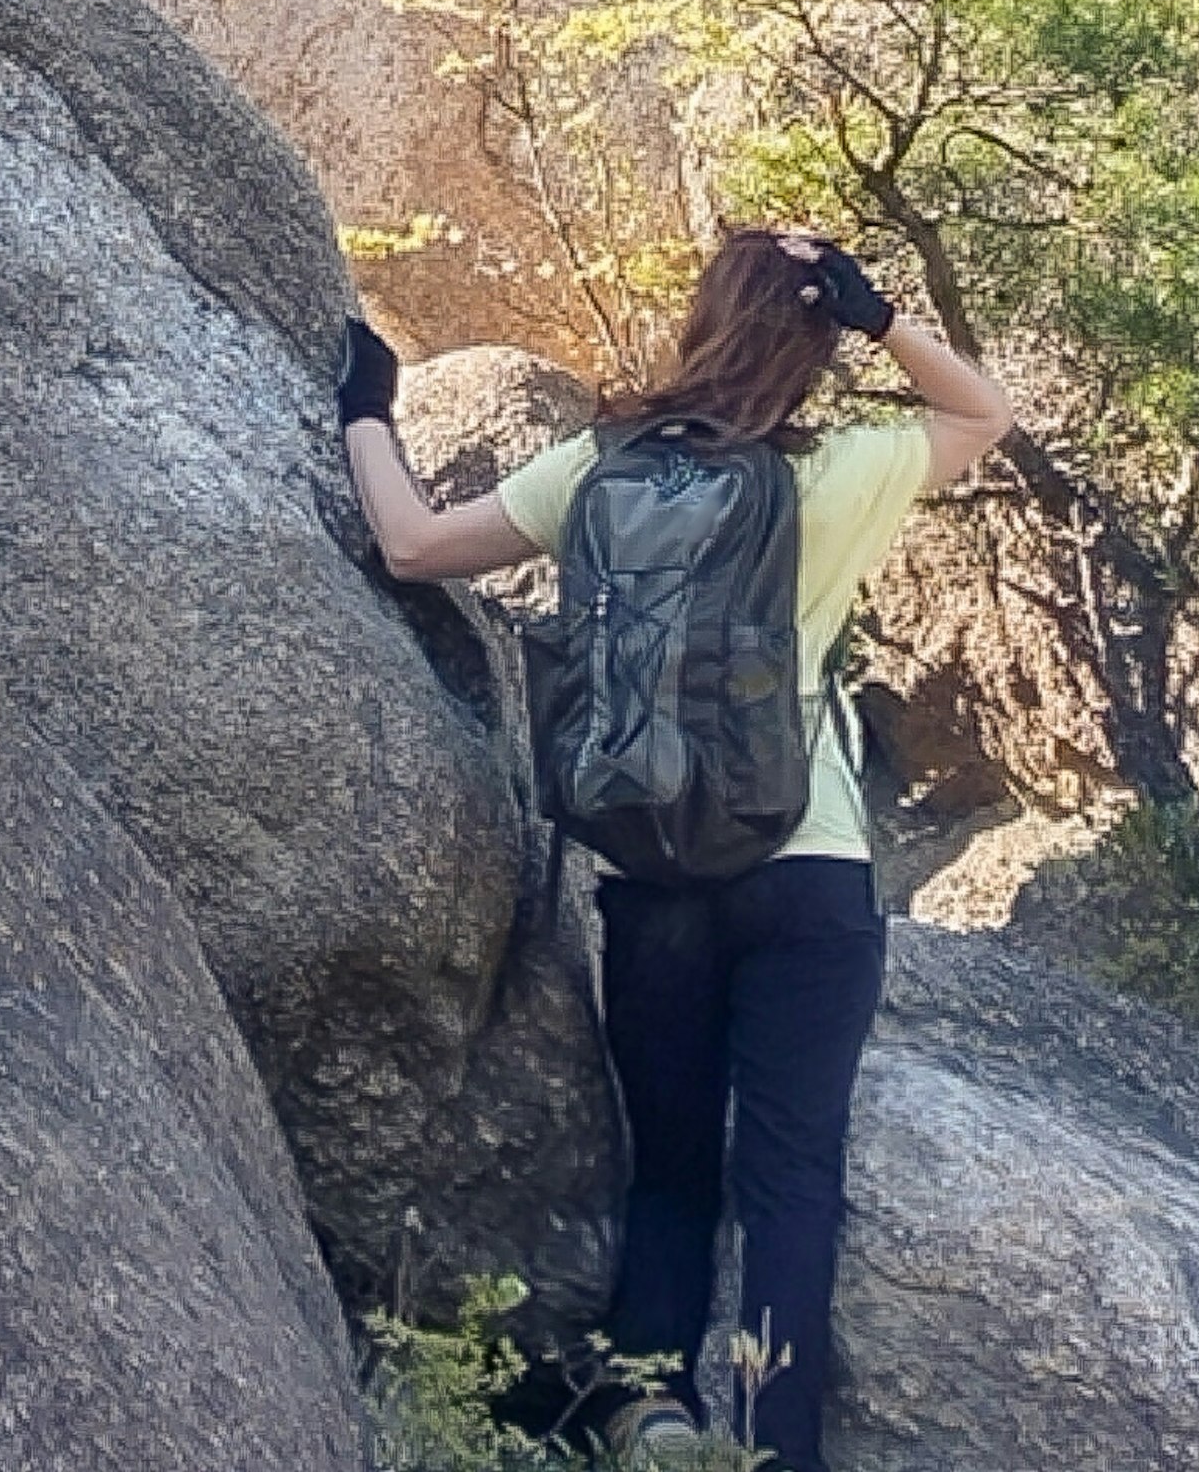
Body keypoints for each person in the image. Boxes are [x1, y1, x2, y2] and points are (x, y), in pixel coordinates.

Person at [338, 229, 1012, 1467]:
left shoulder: (599, 468)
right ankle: (770, 1447)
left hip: (652, 880)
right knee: (789, 1179)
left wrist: (366, 409)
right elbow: (984, 412)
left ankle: (650, 1409)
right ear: (810, 343)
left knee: (669, 1172)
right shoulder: (842, 472)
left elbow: (412, 546)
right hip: (806, 873)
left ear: (700, 320)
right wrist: (881, 318)